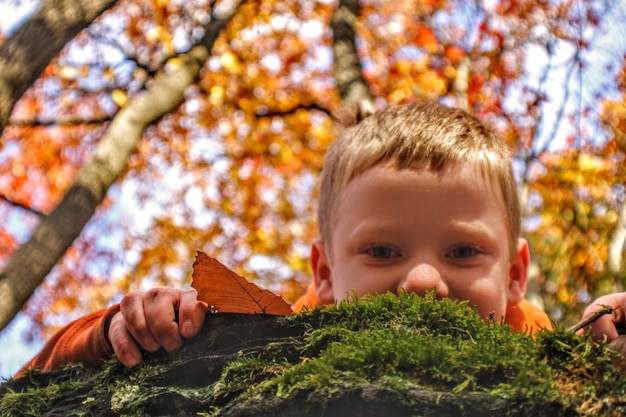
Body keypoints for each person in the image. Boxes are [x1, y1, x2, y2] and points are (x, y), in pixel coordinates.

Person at [15, 101, 623, 374]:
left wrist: (600, 351)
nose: (421, 281)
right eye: (383, 251)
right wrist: (113, 331)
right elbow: (31, 378)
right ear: (325, 274)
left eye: (463, 252)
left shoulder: (531, 339)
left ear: (514, 275)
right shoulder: (270, 341)